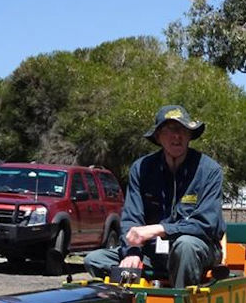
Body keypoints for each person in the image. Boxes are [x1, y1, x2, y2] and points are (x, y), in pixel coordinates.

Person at [84, 105, 226, 288]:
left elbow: (206, 224)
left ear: (190, 135)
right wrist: (132, 251)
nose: (177, 136)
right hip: (153, 253)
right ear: (158, 137)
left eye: (182, 130)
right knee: (95, 259)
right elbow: (131, 219)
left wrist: (157, 229)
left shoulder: (209, 170)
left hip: (199, 249)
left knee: (185, 246)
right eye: (169, 130)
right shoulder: (142, 168)